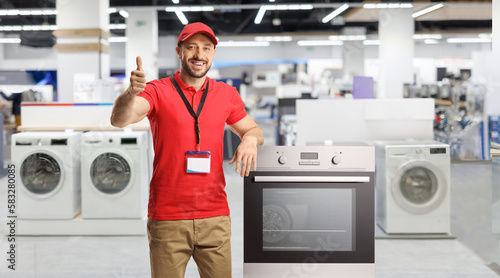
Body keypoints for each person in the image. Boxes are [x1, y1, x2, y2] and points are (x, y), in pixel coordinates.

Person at [110, 22, 264, 278]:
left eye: (206, 48)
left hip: (215, 215)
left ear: (213, 53)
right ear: (178, 51)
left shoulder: (226, 94)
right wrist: (130, 92)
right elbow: (120, 119)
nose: (199, 55)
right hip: (168, 216)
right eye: (191, 47)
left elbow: (253, 130)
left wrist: (249, 140)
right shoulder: (156, 91)